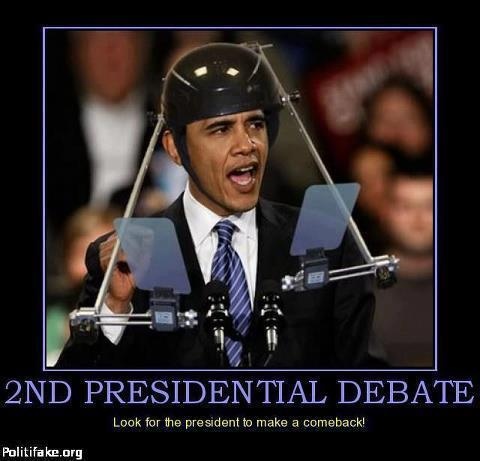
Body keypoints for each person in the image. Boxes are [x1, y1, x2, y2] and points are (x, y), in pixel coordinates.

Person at [57, 42, 375, 369]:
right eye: (221, 129)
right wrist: (114, 309)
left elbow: (364, 376)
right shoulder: (130, 257)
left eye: (255, 124)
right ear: (175, 148)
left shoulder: (326, 240)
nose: (245, 144)